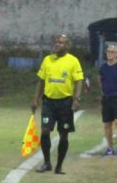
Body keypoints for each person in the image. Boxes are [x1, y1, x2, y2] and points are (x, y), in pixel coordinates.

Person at [32, 34, 84, 174]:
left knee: (63, 135)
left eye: (60, 43)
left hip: (65, 103)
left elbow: (79, 80)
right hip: (48, 102)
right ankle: (47, 162)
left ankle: (59, 165)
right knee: (45, 131)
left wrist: (76, 99)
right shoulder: (47, 60)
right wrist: (36, 99)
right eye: (56, 42)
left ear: (67, 45)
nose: (57, 44)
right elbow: (41, 81)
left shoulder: (73, 61)